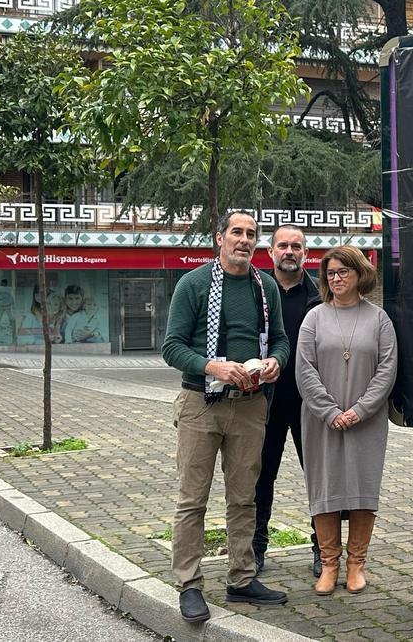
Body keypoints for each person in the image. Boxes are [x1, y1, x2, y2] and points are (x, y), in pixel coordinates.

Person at [161, 211, 291, 623]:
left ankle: (241, 578)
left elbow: (283, 340)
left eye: (252, 234)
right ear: (220, 238)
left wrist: (275, 362)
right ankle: (189, 584)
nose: (245, 240)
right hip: (201, 403)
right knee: (192, 500)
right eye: (237, 232)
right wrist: (211, 366)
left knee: (244, 497)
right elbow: (172, 347)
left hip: (251, 406)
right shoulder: (194, 283)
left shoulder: (264, 285)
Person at [296, 245, 397, 596]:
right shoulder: (314, 318)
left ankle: (356, 565)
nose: (336, 278)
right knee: (325, 489)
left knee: (361, 490)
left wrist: (360, 410)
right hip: (321, 420)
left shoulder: (379, 319)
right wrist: (330, 411)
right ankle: (328, 564)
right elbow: (304, 369)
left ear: (360, 275)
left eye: (343, 272)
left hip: (366, 421)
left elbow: (387, 370)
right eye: (330, 273)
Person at [253, 224, 323, 574]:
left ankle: (322, 549)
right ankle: (255, 549)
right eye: (283, 245)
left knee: (319, 477)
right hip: (262, 402)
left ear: (306, 254)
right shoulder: (256, 291)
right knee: (260, 476)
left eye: (297, 246)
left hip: (310, 404)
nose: (290, 252)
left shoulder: (320, 294)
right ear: (271, 252)